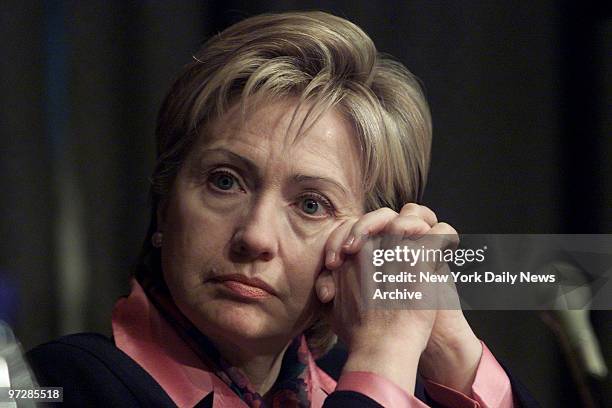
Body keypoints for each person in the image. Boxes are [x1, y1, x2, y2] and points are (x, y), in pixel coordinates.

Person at [27, 11, 538, 407]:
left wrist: (447, 346)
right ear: (165, 206)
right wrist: (383, 355)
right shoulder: (60, 382)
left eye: (311, 204)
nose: (255, 237)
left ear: (361, 242)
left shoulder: (356, 382)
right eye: (224, 181)